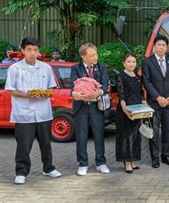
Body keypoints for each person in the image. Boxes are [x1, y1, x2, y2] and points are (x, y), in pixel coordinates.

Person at [5, 37, 62, 184]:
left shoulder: (46, 68)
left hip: (43, 112)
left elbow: (51, 88)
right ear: (23, 51)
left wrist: (45, 93)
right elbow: (11, 90)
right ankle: (21, 172)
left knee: (46, 143)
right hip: (23, 113)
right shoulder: (14, 69)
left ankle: (48, 168)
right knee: (24, 144)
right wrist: (27, 95)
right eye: (29, 50)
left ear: (38, 51)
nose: (32, 53)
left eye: (35, 50)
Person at [71, 43, 110, 176]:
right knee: (81, 136)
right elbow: (73, 85)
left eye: (96, 54)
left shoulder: (102, 67)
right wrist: (74, 94)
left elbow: (105, 84)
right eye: (92, 55)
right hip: (81, 107)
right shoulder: (76, 68)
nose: (95, 57)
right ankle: (83, 164)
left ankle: (101, 163)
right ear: (83, 57)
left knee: (99, 135)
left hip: (96, 107)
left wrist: (99, 92)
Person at [142, 35, 169, 168]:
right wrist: (158, 97)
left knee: (167, 130)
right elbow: (146, 81)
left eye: (163, 45)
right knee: (154, 131)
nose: (161, 47)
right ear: (154, 47)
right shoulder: (147, 61)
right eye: (158, 45)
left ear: (167, 48)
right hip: (154, 102)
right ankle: (155, 157)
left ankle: (166, 155)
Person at [115, 53, 144, 173]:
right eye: (129, 61)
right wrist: (125, 110)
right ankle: (126, 162)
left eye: (133, 61)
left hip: (137, 111)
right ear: (124, 63)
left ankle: (133, 160)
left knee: (135, 136)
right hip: (125, 110)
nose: (131, 64)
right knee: (126, 136)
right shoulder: (121, 76)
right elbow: (121, 95)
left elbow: (140, 94)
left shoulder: (138, 77)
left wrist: (144, 107)